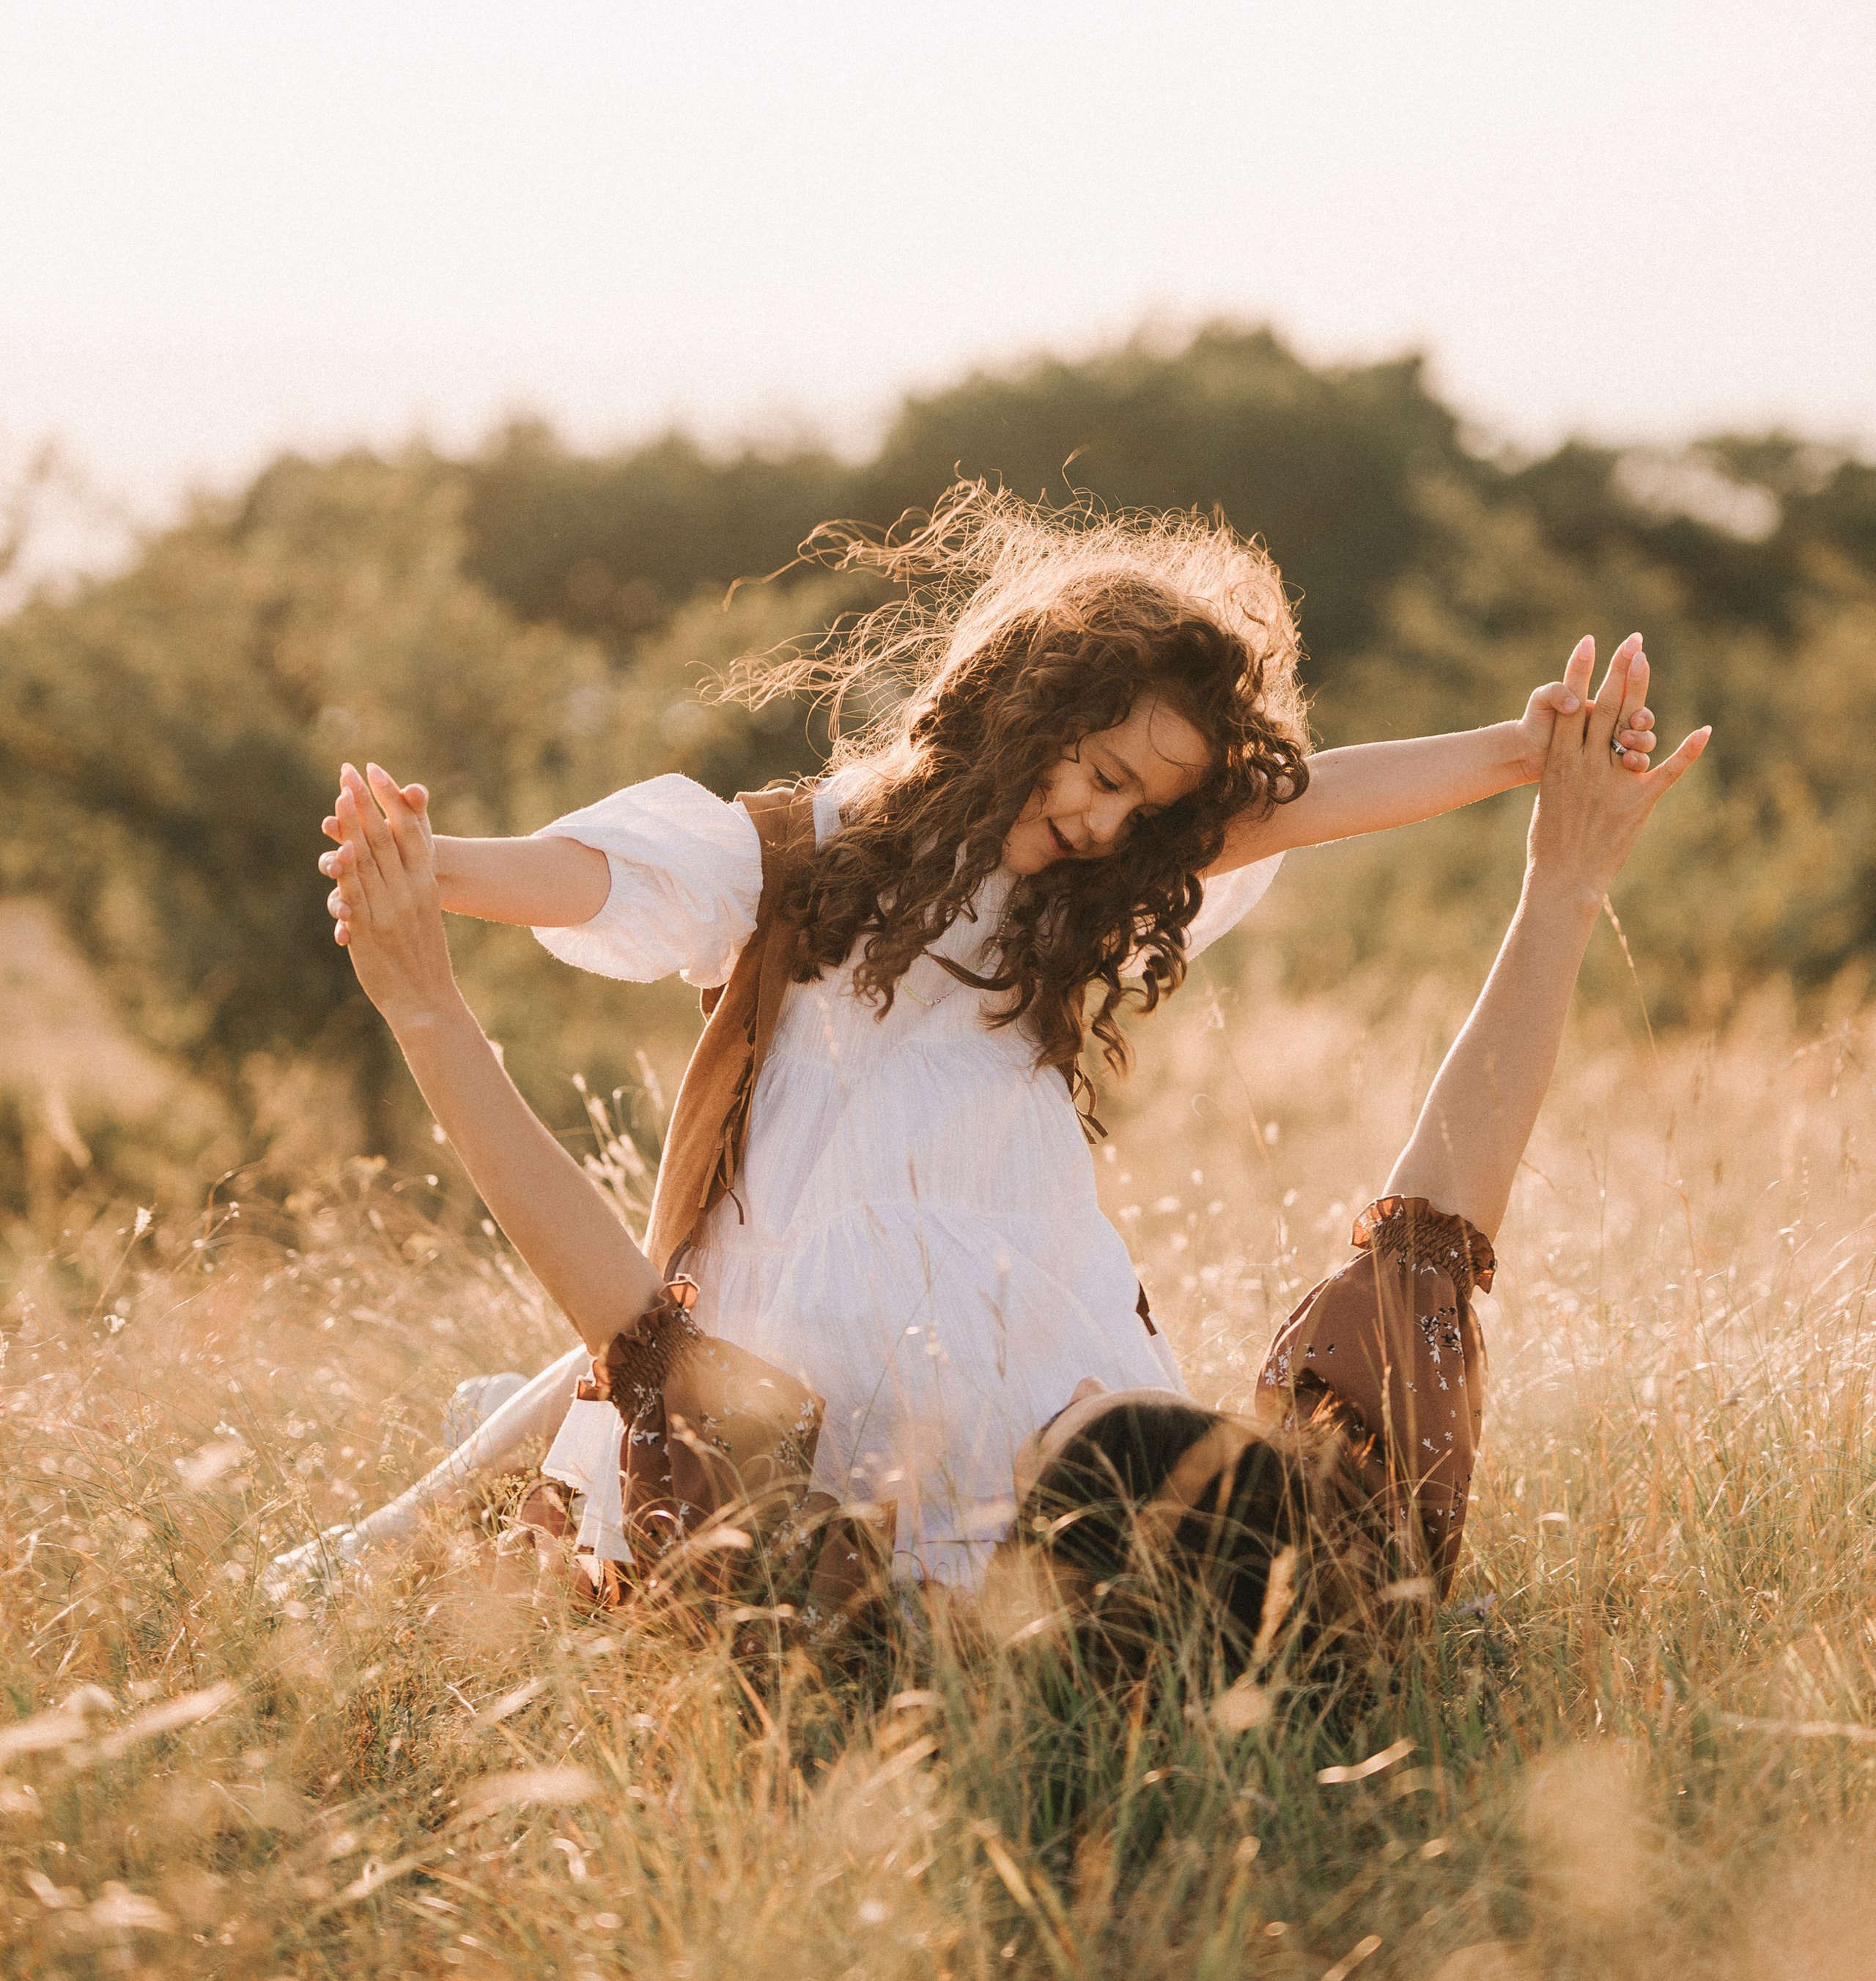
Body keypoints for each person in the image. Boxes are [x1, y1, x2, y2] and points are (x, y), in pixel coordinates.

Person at [295, 491, 1663, 1601]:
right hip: (811, 1283)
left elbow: (1310, 799)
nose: (1113, 824)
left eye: (1145, 811)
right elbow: (598, 877)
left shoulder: (1082, 897)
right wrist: (435, 868)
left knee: (1017, 1564)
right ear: (1027, 707)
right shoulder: (802, 855)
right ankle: (391, 1537)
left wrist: (1519, 752)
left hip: (1026, 1298)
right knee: (655, 1394)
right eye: (1106, 776)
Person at [993, 621, 1708, 1679]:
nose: (1084, 1377)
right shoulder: (1332, 1596)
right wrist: (1564, 880)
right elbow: (1440, 1211)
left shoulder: (882, 1613)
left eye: (1056, 1427)